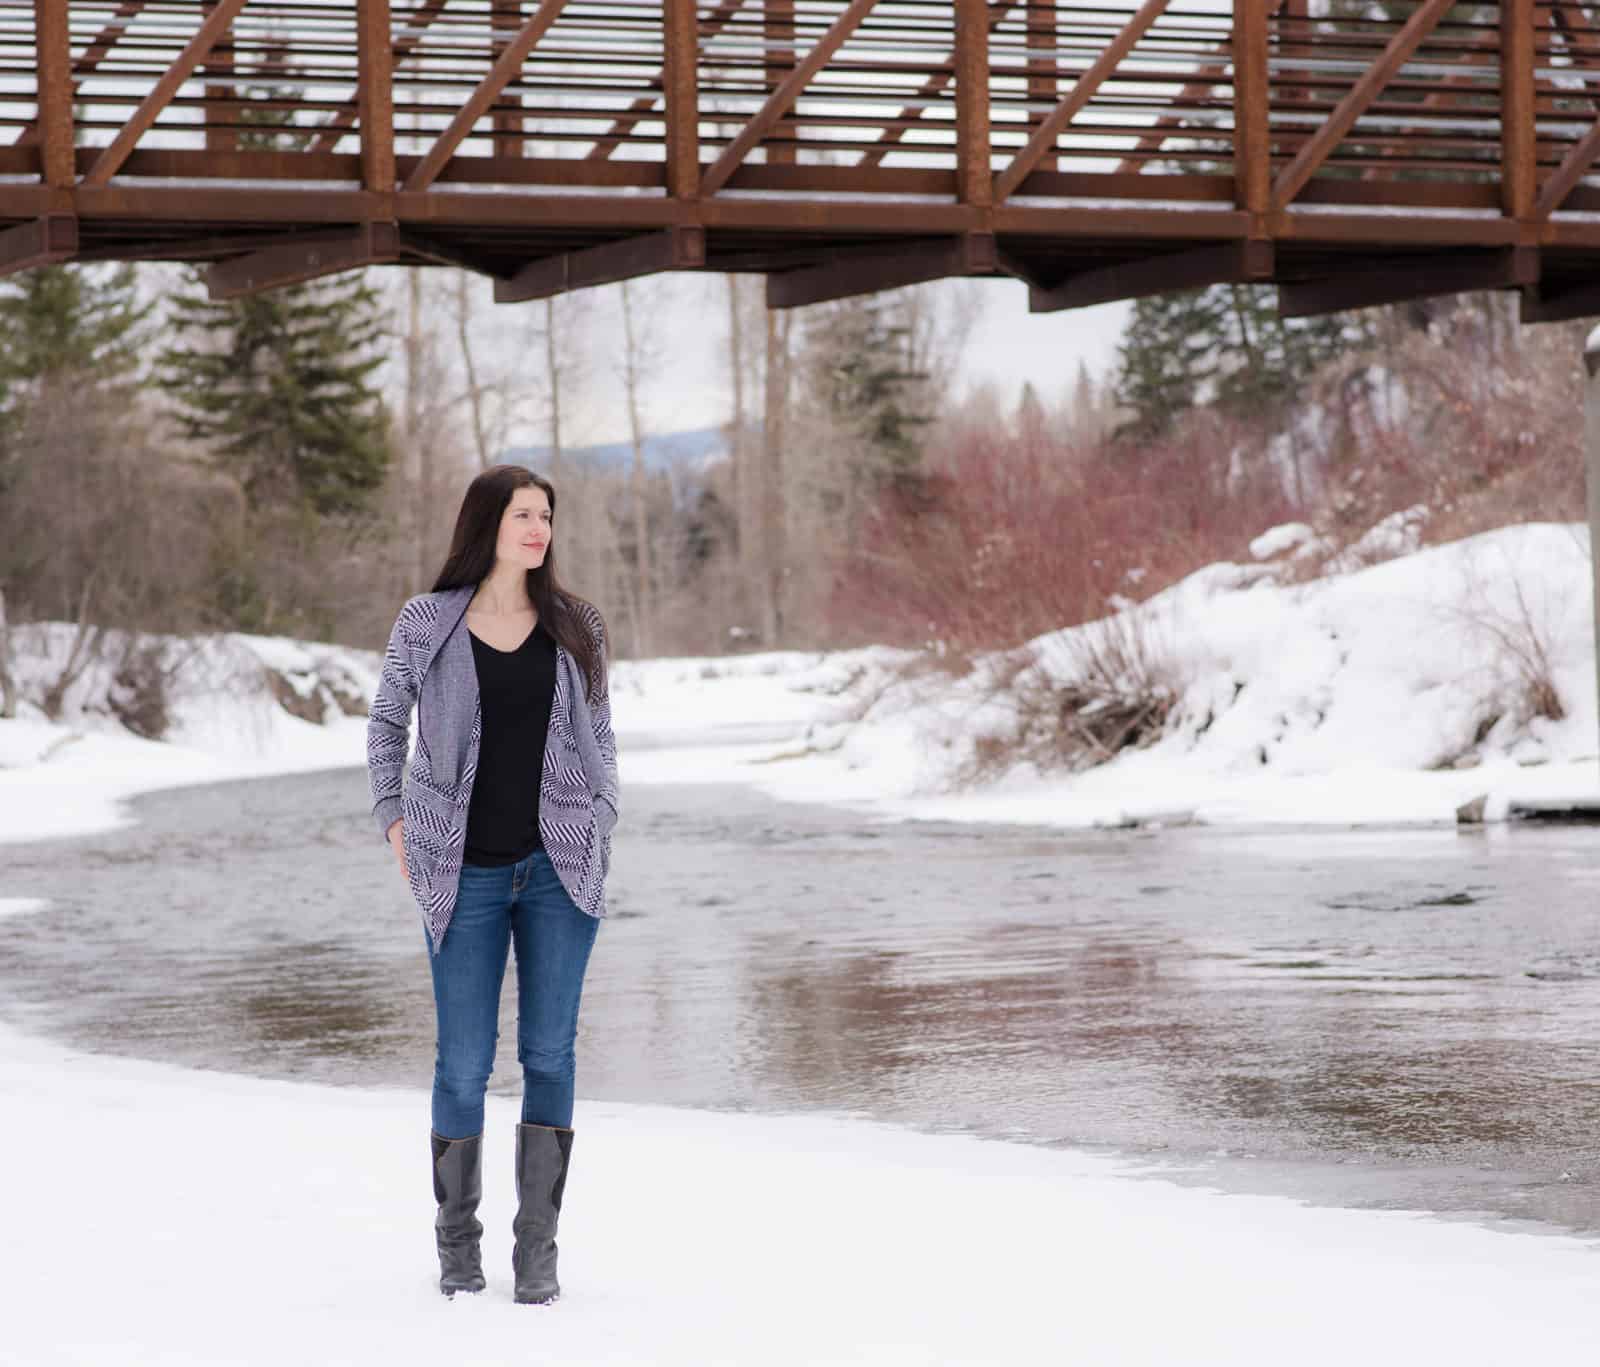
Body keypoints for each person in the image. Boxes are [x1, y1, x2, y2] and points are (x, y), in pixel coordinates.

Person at [365, 464, 619, 1305]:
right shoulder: (427, 623)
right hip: (460, 870)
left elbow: (602, 731)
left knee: (550, 1054)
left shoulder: (576, 623)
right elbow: (385, 721)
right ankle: (457, 1245)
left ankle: (537, 1249)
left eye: (546, 515)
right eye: (523, 514)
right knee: (463, 1063)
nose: (539, 528)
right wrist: (394, 818)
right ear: (488, 523)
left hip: (559, 866)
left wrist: (604, 810)